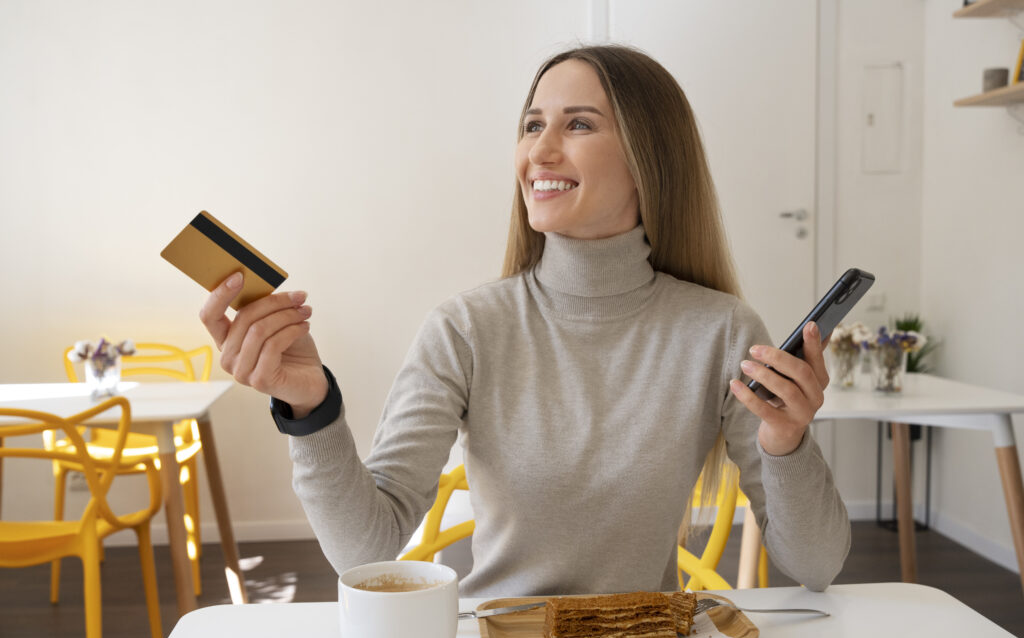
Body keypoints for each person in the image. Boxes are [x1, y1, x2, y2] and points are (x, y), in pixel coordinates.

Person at [199, 44, 849, 597]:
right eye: (532, 124)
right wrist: (310, 408)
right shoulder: (466, 329)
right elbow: (366, 547)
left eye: (578, 125)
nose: (540, 149)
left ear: (649, 157)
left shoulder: (721, 330)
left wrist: (786, 445)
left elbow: (815, 564)